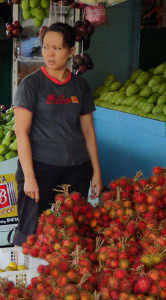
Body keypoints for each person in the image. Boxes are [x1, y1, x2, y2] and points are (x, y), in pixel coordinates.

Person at [12, 22, 102, 246]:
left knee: (71, 231)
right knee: (31, 233)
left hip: (76, 168)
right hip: (40, 168)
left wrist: (97, 172)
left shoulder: (80, 87)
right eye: (46, 47)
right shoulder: (31, 85)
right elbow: (21, 133)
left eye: (57, 48)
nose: (49, 53)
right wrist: (29, 176)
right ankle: (26, 276)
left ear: (71, 51)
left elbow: (88, 131)